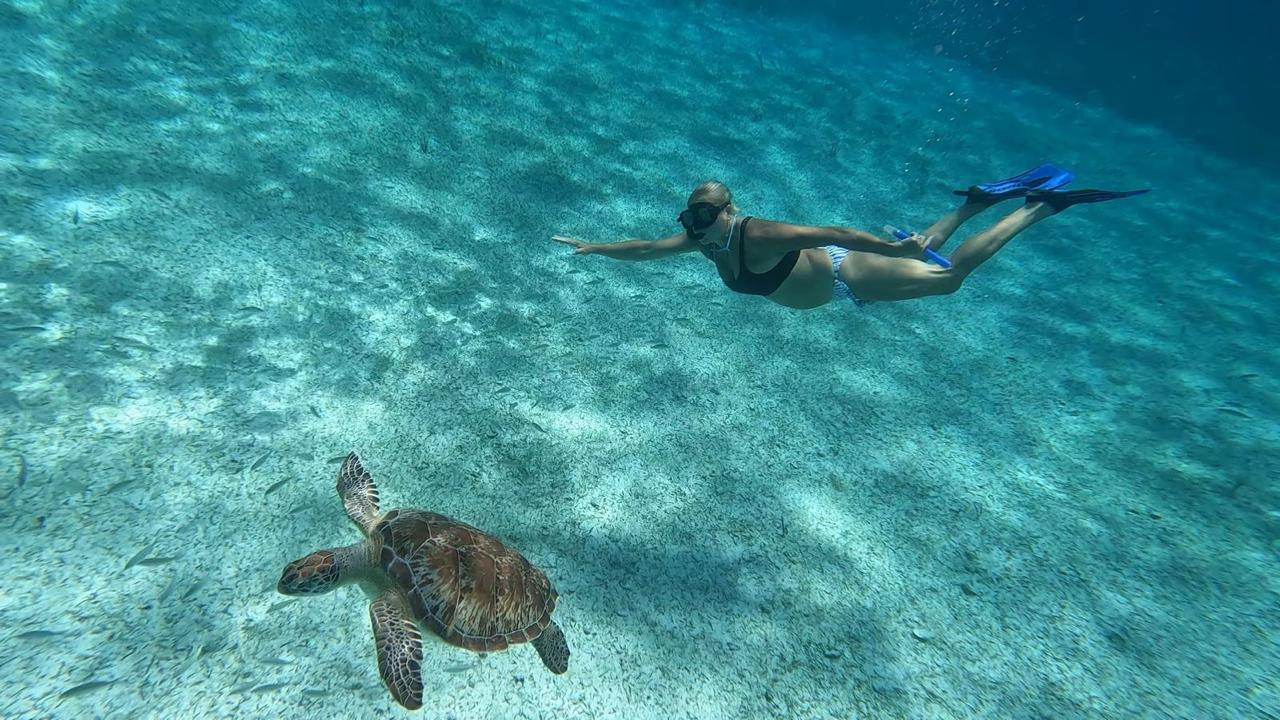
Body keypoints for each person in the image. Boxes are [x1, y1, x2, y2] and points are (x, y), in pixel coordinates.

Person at [551, 164, 1147, 309]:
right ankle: (974, 202)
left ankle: (1038, 208)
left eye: (705, 217)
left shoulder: (760, 233)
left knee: (949, 281)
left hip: (845, 275)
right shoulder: (702, 240)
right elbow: (648, 250)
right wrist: (596, 247)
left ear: (730, 212)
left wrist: (888, 249)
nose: (694, 227)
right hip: (837, 278)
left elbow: (834, 231)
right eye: (690, 217)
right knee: (925, 252)